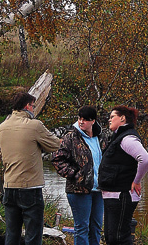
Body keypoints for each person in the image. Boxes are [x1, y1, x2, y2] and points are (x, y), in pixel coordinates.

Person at [0, 92, 61, 245]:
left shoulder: (3, 126)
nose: (34, 109)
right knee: (33, 233)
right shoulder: (34, 125)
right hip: (30, 187)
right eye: (33, 105)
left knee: (12, 233)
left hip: (9, 185)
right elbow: (55, 144)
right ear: (27, 106)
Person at [98, 105, 148, 245]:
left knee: (119, 237)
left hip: (122, 195)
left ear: (122, 118)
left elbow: (145, 159)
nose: (109, 120)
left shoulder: (127, 139)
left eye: (112, 117)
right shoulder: (118, 137)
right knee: (110, 237)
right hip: (112, 195)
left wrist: (137, 180)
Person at [52, 105, 104, 245]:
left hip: (98, 190)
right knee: (82, 228)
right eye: (80, 118)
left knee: (96, 227)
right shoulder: (71, 137)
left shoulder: (100, 137)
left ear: (93, 121)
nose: (81, 122)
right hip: (79, 190)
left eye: (85, 119)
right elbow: (57, 159)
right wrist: (75, 175)